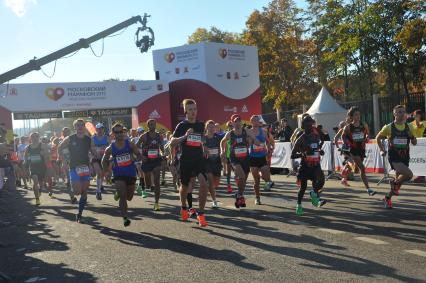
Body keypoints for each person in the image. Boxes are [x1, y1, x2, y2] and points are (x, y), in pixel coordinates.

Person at [171, 99, 208, 227]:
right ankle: (183, 207)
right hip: (185, 160)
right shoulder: (181, 126)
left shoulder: (200, 125)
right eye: (190, 109)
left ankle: (201, 214)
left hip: (198, 159)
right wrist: (185, 136)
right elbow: (172, 142)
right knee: (185, 187)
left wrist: (204, 147)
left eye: (195, 109)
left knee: (204, 183)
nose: (193, 112)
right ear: (186, 111)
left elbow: (200, 139)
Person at [58, 119, 99, 222]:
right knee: (77, 192)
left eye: (82, 125)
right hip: (74, 168)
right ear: (75, 127)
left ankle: (79, 214)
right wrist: (63, 160)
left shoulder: (88, 139)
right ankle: (71, 185)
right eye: (78, 125)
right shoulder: (70, 138)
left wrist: (98, 158)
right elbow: (59, 147)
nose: (80, 127)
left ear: (84, 127)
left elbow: (94, 151)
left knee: (84, 192)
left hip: (85, 168)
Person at [376, 105, 417, 209]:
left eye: (403, 112)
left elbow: (414, 142)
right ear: (394, 114)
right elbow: (378, 138)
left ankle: (387, 198)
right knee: (409, 175)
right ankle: (394, 183)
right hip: (394, 156)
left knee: (397, 186)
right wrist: (381, 149)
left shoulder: (409, 127)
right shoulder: (389, 127)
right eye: (399, 112)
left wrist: (411, 136)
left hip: (405, 156)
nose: (402, 114)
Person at [102, 123, 141, 226]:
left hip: (131, 174)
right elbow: (104, 161)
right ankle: (125, 218)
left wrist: (135, 158)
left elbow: (139, 155)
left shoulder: (130, 144)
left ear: (124, 132)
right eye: (117, 132)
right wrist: (107, 172)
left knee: (129, 197)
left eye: (121, 132)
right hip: (118, 174)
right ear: (113, 134)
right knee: (123, 196)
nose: (119, 134)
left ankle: (118, 193)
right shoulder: (110, 148)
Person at [221, 114, 259, 208]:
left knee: (243, 180)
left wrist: (255, 141)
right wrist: (222, 151)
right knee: (241, 176)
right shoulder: (230, 134)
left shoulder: (246, 131)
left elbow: (255, 140)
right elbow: (222, 141)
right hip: (234, 158)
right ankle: (240, 196)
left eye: (239, 121)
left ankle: (239, 195)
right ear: (232, 123)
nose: (238, 123)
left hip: (245, 158)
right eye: (236, 121)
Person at [291, 115, 326, 216]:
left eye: (312, 124)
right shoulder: (301, 139)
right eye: (308, 125)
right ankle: (299, 205)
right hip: (305, 166)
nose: (311, 126)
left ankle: (314, 194)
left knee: (321, 181)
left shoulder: (315, 136)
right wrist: (303, 154)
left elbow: (317, 146)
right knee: (303, 187)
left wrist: (320, 150)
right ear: (304, 126)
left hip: (315, 164)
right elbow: (292, 155)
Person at [341, 107, 376, 196]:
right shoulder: (348, 127)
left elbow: (367, 133)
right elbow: (343, 136)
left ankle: (346, 171)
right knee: (362, 168)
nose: (358, 116)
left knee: (356, 169)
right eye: (356, 114)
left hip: (361, 149)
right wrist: (347, 143)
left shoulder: (363, 124)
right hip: (352, 150)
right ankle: (368, 189)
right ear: (351, 116)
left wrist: (367, 137)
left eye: (359, 114)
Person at [137, 119, 164, 211]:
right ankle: (145, 185)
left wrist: (162, 154)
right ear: (148, 126)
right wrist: (141, 157)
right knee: (148, 184)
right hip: (146, 161)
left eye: (154, 124)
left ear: (156, 125)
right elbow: (135, 147)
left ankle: (156, 203)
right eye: (150, 125)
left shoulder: (159, 136)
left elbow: (161, 147)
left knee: (157, 182)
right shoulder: (143, 136)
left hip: (156, 160)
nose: (152, 126)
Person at [248, 115, 274, 205]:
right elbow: (246, 144)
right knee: (256, 181)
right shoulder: (249, 132)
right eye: (253, 121)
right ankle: (257, 197)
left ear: (259, 122)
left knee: (266, 174)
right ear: (251, 122)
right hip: (252, 158)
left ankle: (266, 180)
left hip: (262, 156)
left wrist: (270, 149)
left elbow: (269, 140)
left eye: (256, 120)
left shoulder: (263, 131)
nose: (255, 122)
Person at [24, 132, 50, 205]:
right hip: (33, 167)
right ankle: (37, 199)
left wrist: (43, 154)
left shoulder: (43, 145)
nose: (35, 138)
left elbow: (47, 155)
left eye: (36, 137)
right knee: (35, 181)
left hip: (42, 167)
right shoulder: (28, 147)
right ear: (30, 138)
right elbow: (25, 157)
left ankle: (40, 189)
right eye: (33, 137)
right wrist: (26, 162)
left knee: (41, 183)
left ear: (39, 137)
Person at [204, 120, 222, 208]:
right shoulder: (204, 138)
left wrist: (223, 152)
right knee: (210, 182)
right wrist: (204, 149)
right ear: (206, 128)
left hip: (217, 162)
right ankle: (214, 200)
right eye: (209, 127)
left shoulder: (218, 137)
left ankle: (211, 190)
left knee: (216, 183)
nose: (211, 129)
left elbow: (223, 144)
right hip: (207, 162)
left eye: (213, 127)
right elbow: (200, 147)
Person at [92, 123, 110, 200]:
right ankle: (98, 191)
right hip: (95, 158)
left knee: (102, 174)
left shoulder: (107, 138)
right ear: (96, 129)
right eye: (98, 129)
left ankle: (99, 186)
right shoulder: (93, 138)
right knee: (99, 173)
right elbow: (90, 148)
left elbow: (111, 147)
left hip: (104, 159)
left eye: (101, 128)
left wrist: (105, 147)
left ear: (103, 129)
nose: (100, 130)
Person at [410, 110, 425, 183]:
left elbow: (419, 126)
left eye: (416, 115)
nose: (414, 116)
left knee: (421, 160)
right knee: (415, 160)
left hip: (421, 144)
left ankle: (421, 176)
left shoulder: (424, 122)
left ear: (420, 115)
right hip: (413, 143)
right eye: (414, 115)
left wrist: (416, 120)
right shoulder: (411, 123)